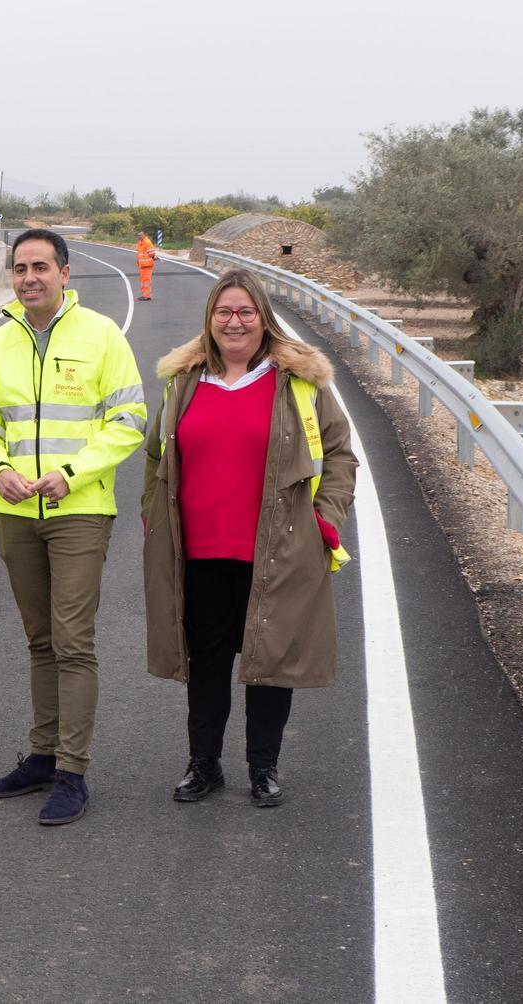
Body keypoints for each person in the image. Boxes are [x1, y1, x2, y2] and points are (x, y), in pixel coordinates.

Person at [141, 268, 357, 807]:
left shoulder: (298, 383)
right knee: (206, 662)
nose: (234, 322)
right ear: (209, 320)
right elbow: (154, 458)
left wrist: (324, 520)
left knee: (270, 662)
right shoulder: (183, 382)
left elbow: (340, 457)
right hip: (198, 552)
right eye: (224, 312)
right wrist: (153, 517)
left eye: (245, 312)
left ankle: (264, 767)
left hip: (277, 550)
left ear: (263, 319)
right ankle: (204, 765)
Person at [0, 228, 146, 825]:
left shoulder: (100, 337)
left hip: (79, 510)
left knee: (73, 642)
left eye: (41, 266)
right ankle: (42, 756)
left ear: (65, 273)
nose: (30, 278)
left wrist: (72, 473)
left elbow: (129, 422)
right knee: (40, 640)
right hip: (16, 512)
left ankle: (72, 772)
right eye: (20, 268)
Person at [135, 230, 157, 300]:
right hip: (142, 265)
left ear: (145, 235)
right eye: (138, 235)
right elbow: (139, 253)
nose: (139, 236)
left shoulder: (147, 242)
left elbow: (152, 253)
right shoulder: (139, 242)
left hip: (147, 265)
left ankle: (147, 296)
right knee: (143, 280)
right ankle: (144, 294)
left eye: (141, 235)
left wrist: (153, 257)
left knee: (146, 281)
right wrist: (138, 261)